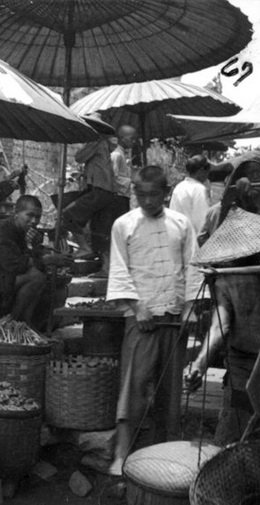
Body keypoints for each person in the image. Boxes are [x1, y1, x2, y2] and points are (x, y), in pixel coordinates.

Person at [107, 165, 202, 475]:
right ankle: (121, 457)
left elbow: (193, 267)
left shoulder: (181, 224)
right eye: (141, 195)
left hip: (173, 320)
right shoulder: (124, 225)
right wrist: (137, 307)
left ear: (166, 193)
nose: (147, 201)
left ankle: (163, 458)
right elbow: (120, 269)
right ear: (135, 193)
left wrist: (189, 307)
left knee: (169, 394)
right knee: (133, 389)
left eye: (153, 195)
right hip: (141, 321)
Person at [185, 208, 260, 445]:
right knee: (235, 433)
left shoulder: (227, 277)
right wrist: (199, 364)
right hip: (240, 365)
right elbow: (220, 326)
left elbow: (221, 327)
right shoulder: (224, 278)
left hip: (251, 365)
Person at [0, 195, 68, 330]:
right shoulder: (1, 230)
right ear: (15, 213)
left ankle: (34, 325)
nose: (34, 221)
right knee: (36, 277)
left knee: (55, 284)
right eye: (29, 215)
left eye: (38, 217)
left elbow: (24, 256)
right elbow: (14, 265)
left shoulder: (20, 231)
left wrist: (38, 249)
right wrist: (45, 260)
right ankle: (13, 324)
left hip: (5, 279)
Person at [61, 130, 117, 260]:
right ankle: (103, 264)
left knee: (68, 214)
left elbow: (79, 157)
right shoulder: (104, 144)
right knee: (98, 227)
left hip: (99, 189)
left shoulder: (96, 141)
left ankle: (84, 248)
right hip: (105, 190)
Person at [169, 154, 211, 236]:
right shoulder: (199, 189)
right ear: (201, 171)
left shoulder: (179, 187)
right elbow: (202, 221)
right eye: (207, 171)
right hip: (192, 240)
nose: (208, 175)